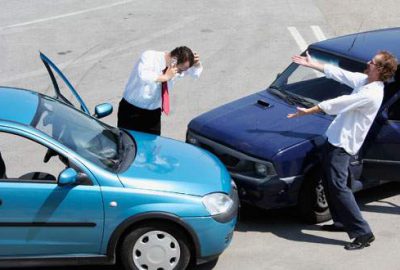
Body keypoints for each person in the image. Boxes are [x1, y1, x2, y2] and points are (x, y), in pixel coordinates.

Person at [287, 51, 398, 250]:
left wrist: (310, 110)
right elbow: (339, 73)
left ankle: (363, 233)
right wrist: (311, 64)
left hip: (342, 145)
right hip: (335, 139)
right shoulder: (365, 81)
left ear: (380, 69)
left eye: (372, 62)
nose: (368, 62)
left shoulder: (371, 93)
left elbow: (339, 103)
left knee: (339, 187)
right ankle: (340, 222)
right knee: (334, 183)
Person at [117, 46, 203, 135]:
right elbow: (143, 75)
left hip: (153, 113)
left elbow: (195, 74)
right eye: (180, 70)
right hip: (131, 110)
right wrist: (165, 77)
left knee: (153, 145)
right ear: (174, 60)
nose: (181, 73)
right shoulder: (150, 56)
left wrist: (197, 64)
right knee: (127, 144)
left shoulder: (174, 68)